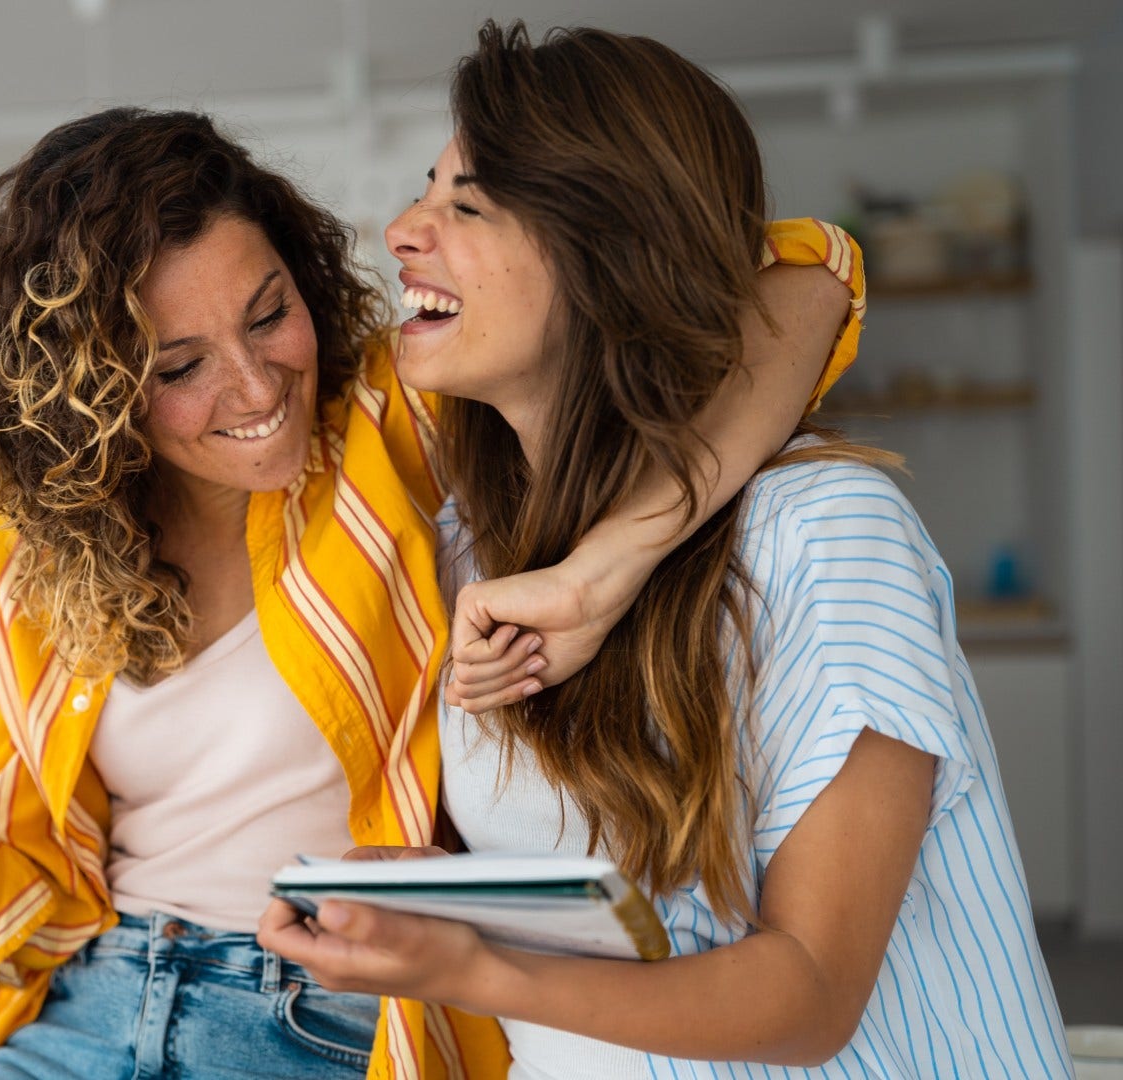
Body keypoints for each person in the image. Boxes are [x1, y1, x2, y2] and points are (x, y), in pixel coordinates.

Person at [0, 106, 861, 1079]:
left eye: (269, 314)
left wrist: (617, 558)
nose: (257, 384)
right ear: (89, 395)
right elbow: (18, 882)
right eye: (176, 367)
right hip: (76, 1009)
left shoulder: (388, 425)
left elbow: (811, 276)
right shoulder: (14, 553)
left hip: (317, 1018)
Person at [259, 22, 1073, 1079]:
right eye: (428, 189)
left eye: (467, 204)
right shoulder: (466, 550)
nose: (404, 229)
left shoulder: (822, 535)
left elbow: (811, 996)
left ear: (614, 257)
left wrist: (462, 962)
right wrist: (442, 890)